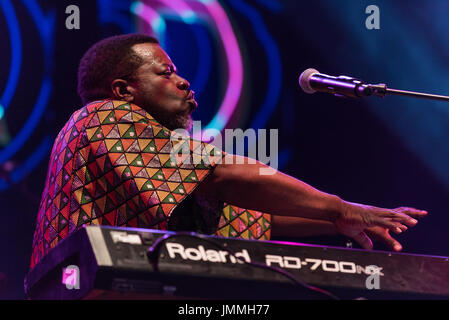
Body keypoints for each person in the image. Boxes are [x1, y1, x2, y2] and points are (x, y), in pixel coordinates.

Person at [29, 34, 427, 269]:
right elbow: (222, 174)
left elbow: (250, 217)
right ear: (122, 89)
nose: (184, 81)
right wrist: (338, 207)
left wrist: (336, 219)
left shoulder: (149, 159)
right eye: (165, 72)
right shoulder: (101, 116)